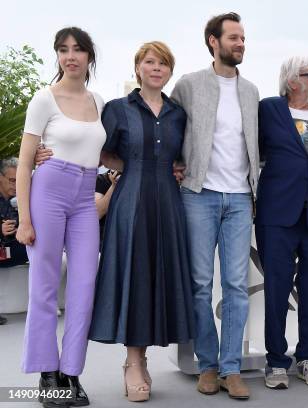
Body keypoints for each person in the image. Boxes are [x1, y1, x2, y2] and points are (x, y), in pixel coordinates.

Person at [86, 41, 194, 402]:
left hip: (168, 202)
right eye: (150, 62)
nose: (156, 68)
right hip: (131, 201)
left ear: (169, 71)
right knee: (135, 277)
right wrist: (128, 167)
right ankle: (133, 363)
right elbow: (100, 151)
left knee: (159, 277)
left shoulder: (179, 113)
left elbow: (182, 155)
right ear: (138, 67)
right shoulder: (118, 109)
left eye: (163, 63)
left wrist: (173, 168)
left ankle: (144, 359)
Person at [171, 12, 259, 400]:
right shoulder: (189, 85)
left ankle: (231, 368)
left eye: (243, 38)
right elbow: (168, 126)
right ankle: (207, 365)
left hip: (240, 198)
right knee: (200, 285)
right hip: (198, 195)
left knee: (237, 286)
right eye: (234, 37)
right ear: (213, 41)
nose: (241, 43)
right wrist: (173, 163)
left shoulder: (252, 91)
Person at [16, 27, 106, 407]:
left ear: (89, 57)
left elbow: (108, 155)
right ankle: (46, 374)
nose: (71, 56)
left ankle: (71, 373)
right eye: (63, 50)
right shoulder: (43, 99)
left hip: (86, 197)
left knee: (85, 288)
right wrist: (24, 219)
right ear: (57, 56)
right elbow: (24, 162)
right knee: (45, 287)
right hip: (48, 192)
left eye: (78, 50)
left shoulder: (100, 101)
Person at [256, 56, 308, 389]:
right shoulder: (269, 110)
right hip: (278, 214)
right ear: (292, 81)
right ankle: (276, 362)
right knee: (276, 290)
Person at [0, 157, 28, 326]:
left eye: (19, 180)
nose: (15, 185)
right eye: (12, 180)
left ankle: (45, 304)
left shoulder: (23, 197)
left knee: (45, 249)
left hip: (15, 249)